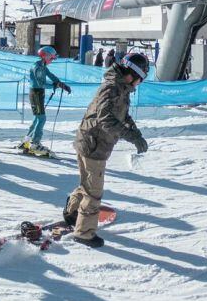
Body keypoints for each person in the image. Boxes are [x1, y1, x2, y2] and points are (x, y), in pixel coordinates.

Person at [63, 53, 150, 248]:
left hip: (91, 141)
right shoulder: (112, 88)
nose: (138, 84)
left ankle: (72, 211)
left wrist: (136, 134)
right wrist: (131, 136)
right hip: (94, 144)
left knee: (87, 183)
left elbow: (123, 115)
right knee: (94, 193)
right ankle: (84, 233)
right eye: (140, 80)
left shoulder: (120, 87)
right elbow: (106, 120)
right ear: (132, 75)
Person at [19, 46, 72, 157]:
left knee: (37, 118)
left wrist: (60, 83)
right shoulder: (37, 67)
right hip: (36, 94)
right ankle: (35, 144)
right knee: (42, 118)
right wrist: (54, 85)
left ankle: (26, 141)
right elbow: (41, 83)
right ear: (46, 56)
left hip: (39, 94)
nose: (52, 60)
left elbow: (51, 75)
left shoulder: (42, 66)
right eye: (52, 58)